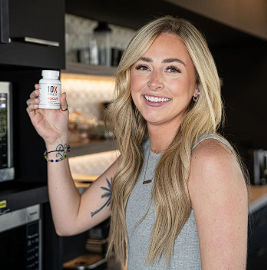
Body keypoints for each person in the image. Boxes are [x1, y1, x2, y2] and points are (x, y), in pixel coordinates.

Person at [27, 16, 249, 269]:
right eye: (143, 67)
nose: (154, 82)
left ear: (197, 85)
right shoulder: (137, 157)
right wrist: (56, 139)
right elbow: (69, 221)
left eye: (172, 69)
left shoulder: (209, 159)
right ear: (129, 76)